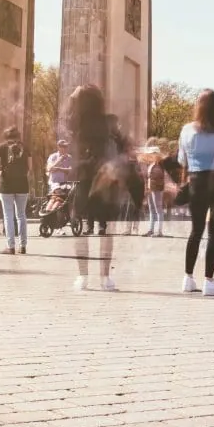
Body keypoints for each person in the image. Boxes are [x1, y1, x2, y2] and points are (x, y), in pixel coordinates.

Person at [178, 89, 214, 296]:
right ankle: (209, 281)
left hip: (195, 181)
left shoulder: (187, 130)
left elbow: (180, 160)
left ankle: (187, 277)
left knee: (195, 231)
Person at [67, 85, 122, 291]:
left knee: (82, 229)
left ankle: (84, 276)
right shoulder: (105, 122)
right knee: (104, 229)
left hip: (88, 178)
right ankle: (104, 277)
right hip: (103, 179)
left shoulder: (75, 123)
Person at [0, 129, 29, 255]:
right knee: (21, 216)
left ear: (6, 136)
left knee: (8, 215)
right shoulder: (25, 147)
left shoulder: (1, 148)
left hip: (7, 185)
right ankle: (23, 246)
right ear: (18, 136)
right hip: (23, 185)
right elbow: (29, 168)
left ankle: (10, 246)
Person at [143, 149, 169, 237]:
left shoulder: (160, 165)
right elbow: (148, 177)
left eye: (153, 154)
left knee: (158, 209)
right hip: (151, 188)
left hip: (157, 188)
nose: (151, 155)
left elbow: (161, 177)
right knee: (152, 210)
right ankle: (151, 229)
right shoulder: (151, 164)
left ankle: (159, 231)